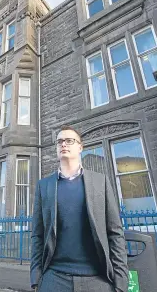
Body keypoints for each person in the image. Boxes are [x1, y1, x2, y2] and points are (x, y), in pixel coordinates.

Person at [30, 125, 128, 292]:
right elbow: (37, 235)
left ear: (80, 147)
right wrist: (36, 278)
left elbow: (115, 233)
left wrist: (121, 282)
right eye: (59, 141)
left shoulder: (100, 182)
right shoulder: (44, 186)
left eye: (69, 140)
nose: (63, 144)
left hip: (98, 278)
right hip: (54, 278)